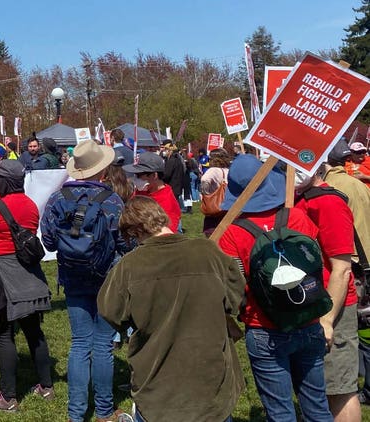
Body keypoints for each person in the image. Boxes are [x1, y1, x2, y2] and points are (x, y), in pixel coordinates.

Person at [98, 196, 245, 421]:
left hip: (159, 382)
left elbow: (111, 311)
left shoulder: (129, 266)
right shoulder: (207, 251)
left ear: (135, 232)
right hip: (210, 380)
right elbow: (237, 296)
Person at [216, 154, 333, 421]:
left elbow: (235, 288)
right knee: (317, 407)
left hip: (264, 328)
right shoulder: (298, 217)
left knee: (280, 413)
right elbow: (317, 264)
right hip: (308, 317)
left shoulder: (231, 233)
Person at [41, 140, 127, 422]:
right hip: (107, 278)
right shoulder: (114, 202)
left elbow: (50, 243)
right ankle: (104, 410)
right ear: (102, 171)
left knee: (80, 344)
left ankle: (75, 414)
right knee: (102, 345)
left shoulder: (57, 199)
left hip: (73, 277)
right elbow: (124, 243)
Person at [0, 159, 52, 412]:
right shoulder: (30, 205)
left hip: (0, 272)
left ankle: (7, 397)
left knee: (4, 334)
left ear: (4, 181)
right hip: (28, 272)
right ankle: (46, 386)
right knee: (33, 332)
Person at [317, 138, 368, 421]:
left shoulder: (331, 193)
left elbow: (340, 258)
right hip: (359, 268)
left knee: (340, 383)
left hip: (348, 274)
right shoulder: (358, 184)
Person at [124, 152, 180, 232]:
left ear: (154, 175)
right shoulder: (142, 190)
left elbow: (165, 234)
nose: (136, 178)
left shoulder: (167, 202)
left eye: (139, 175)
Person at [200, 148, 232, 236]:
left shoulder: (213, 170)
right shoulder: (229, 170)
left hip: (215, 207)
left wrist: (206, 193)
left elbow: (204, 180)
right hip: (227, 206)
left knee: (213, 236)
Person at [160, 140, 185, 209]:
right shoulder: (177, 158)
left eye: (165, 149)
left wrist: (159, 177)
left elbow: (167, 174)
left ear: (169, 150)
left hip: (172, 187)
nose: (163, 151)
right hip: (176, 186)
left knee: (171, 208)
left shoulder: (172, 160)